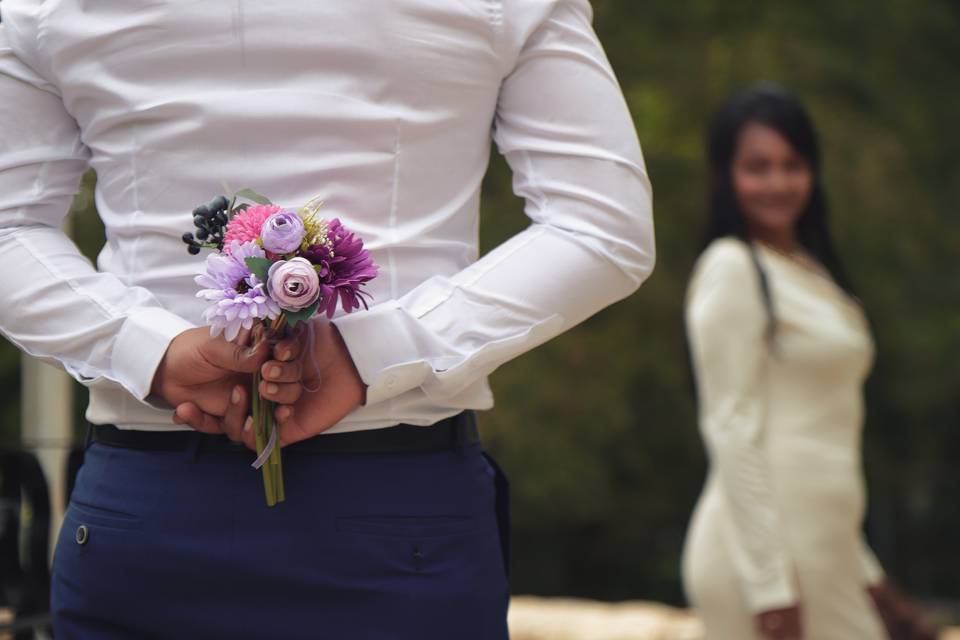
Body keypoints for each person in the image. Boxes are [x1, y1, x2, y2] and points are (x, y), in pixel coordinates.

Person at [0, 0, 655, 637]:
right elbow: (602, 227)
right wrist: (375, 354)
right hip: (394, 512)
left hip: (151, 506)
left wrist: (147, 350)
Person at [681, 85, 934, 640]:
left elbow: (822, 448)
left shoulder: (812, 272)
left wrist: (870, 577)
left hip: (826, 548)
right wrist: (770, 589)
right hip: (766, 559)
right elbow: (730, 426)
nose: (777, 183)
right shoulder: (733, 268)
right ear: (726, 175)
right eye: (758, 167)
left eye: (792, 165)